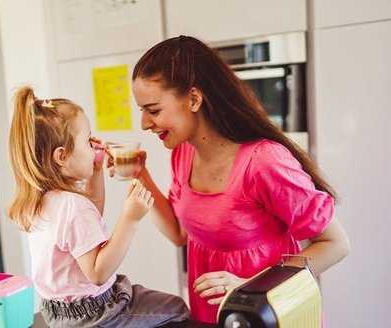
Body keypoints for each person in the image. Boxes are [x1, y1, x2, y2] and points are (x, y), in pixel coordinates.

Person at [110, 35, 351, 324]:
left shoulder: (264, 161)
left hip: (268, 313)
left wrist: (252, 286)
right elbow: (178, 233)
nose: (145, 124)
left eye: (153, 110)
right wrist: (140, 175)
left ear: (194, 99)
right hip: (214, 314)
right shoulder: (184, 154)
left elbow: (335, 244)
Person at [7, 86, 190, 328]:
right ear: (61, 157)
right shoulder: (73, 205)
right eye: (86, 140)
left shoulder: (43, 201)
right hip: (96, 313)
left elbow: (87, 230)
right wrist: (130, 219)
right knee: (176, 308)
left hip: (59, 311)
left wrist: (95, 171)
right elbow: (97, 272)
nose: (93, 146)